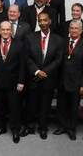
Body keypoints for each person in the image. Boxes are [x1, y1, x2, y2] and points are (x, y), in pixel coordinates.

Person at [23, 12, 63, 140]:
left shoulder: (59, 39)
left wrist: (45, 71)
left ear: (50, 21)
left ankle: (43, 128)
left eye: (45, 20)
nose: (42, 23)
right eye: (40, 20)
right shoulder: (30, 37)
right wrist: (36, 71)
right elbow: (27, 57)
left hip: (49, 78)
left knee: (45, 106)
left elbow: (58, 59)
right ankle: (29, 127)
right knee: (31, 105)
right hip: (33, 77)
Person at [0, 21, 26, 143]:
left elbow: (22, 65)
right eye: (3, 30)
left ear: (11, 31)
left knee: (14, 107)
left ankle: (15, 130)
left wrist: (21, 81)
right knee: (0, 107)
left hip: (14, 83)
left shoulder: (19, 45)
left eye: (8, 29)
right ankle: (1, 127)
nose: (5, 32)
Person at [53, 20, 83, 140]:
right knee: (61, 106)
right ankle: (62, 126)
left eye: (76, 28)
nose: (73, 30)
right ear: (69, 30)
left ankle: (71, 129)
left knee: (74, 108)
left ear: (80, 30)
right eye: (71, 28)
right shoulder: (62, 42)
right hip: (62, 81)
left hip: (76, 83)